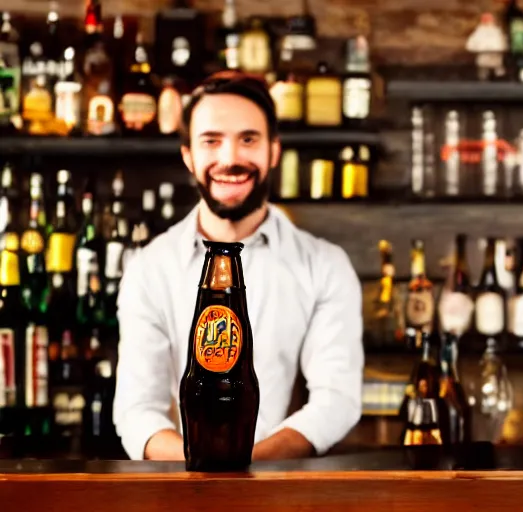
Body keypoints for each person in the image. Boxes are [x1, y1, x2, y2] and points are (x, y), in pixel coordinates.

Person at [113, 71, 364, 461]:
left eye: (248, 139)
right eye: (211, 141)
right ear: (188, 156)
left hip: (281, 493)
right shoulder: (149, 268)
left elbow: (335, 401)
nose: (230, 159)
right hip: (179, 491)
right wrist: (205, 473)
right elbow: (136, 412)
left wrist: (247, 472)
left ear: (274, 151)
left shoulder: (325, 266)